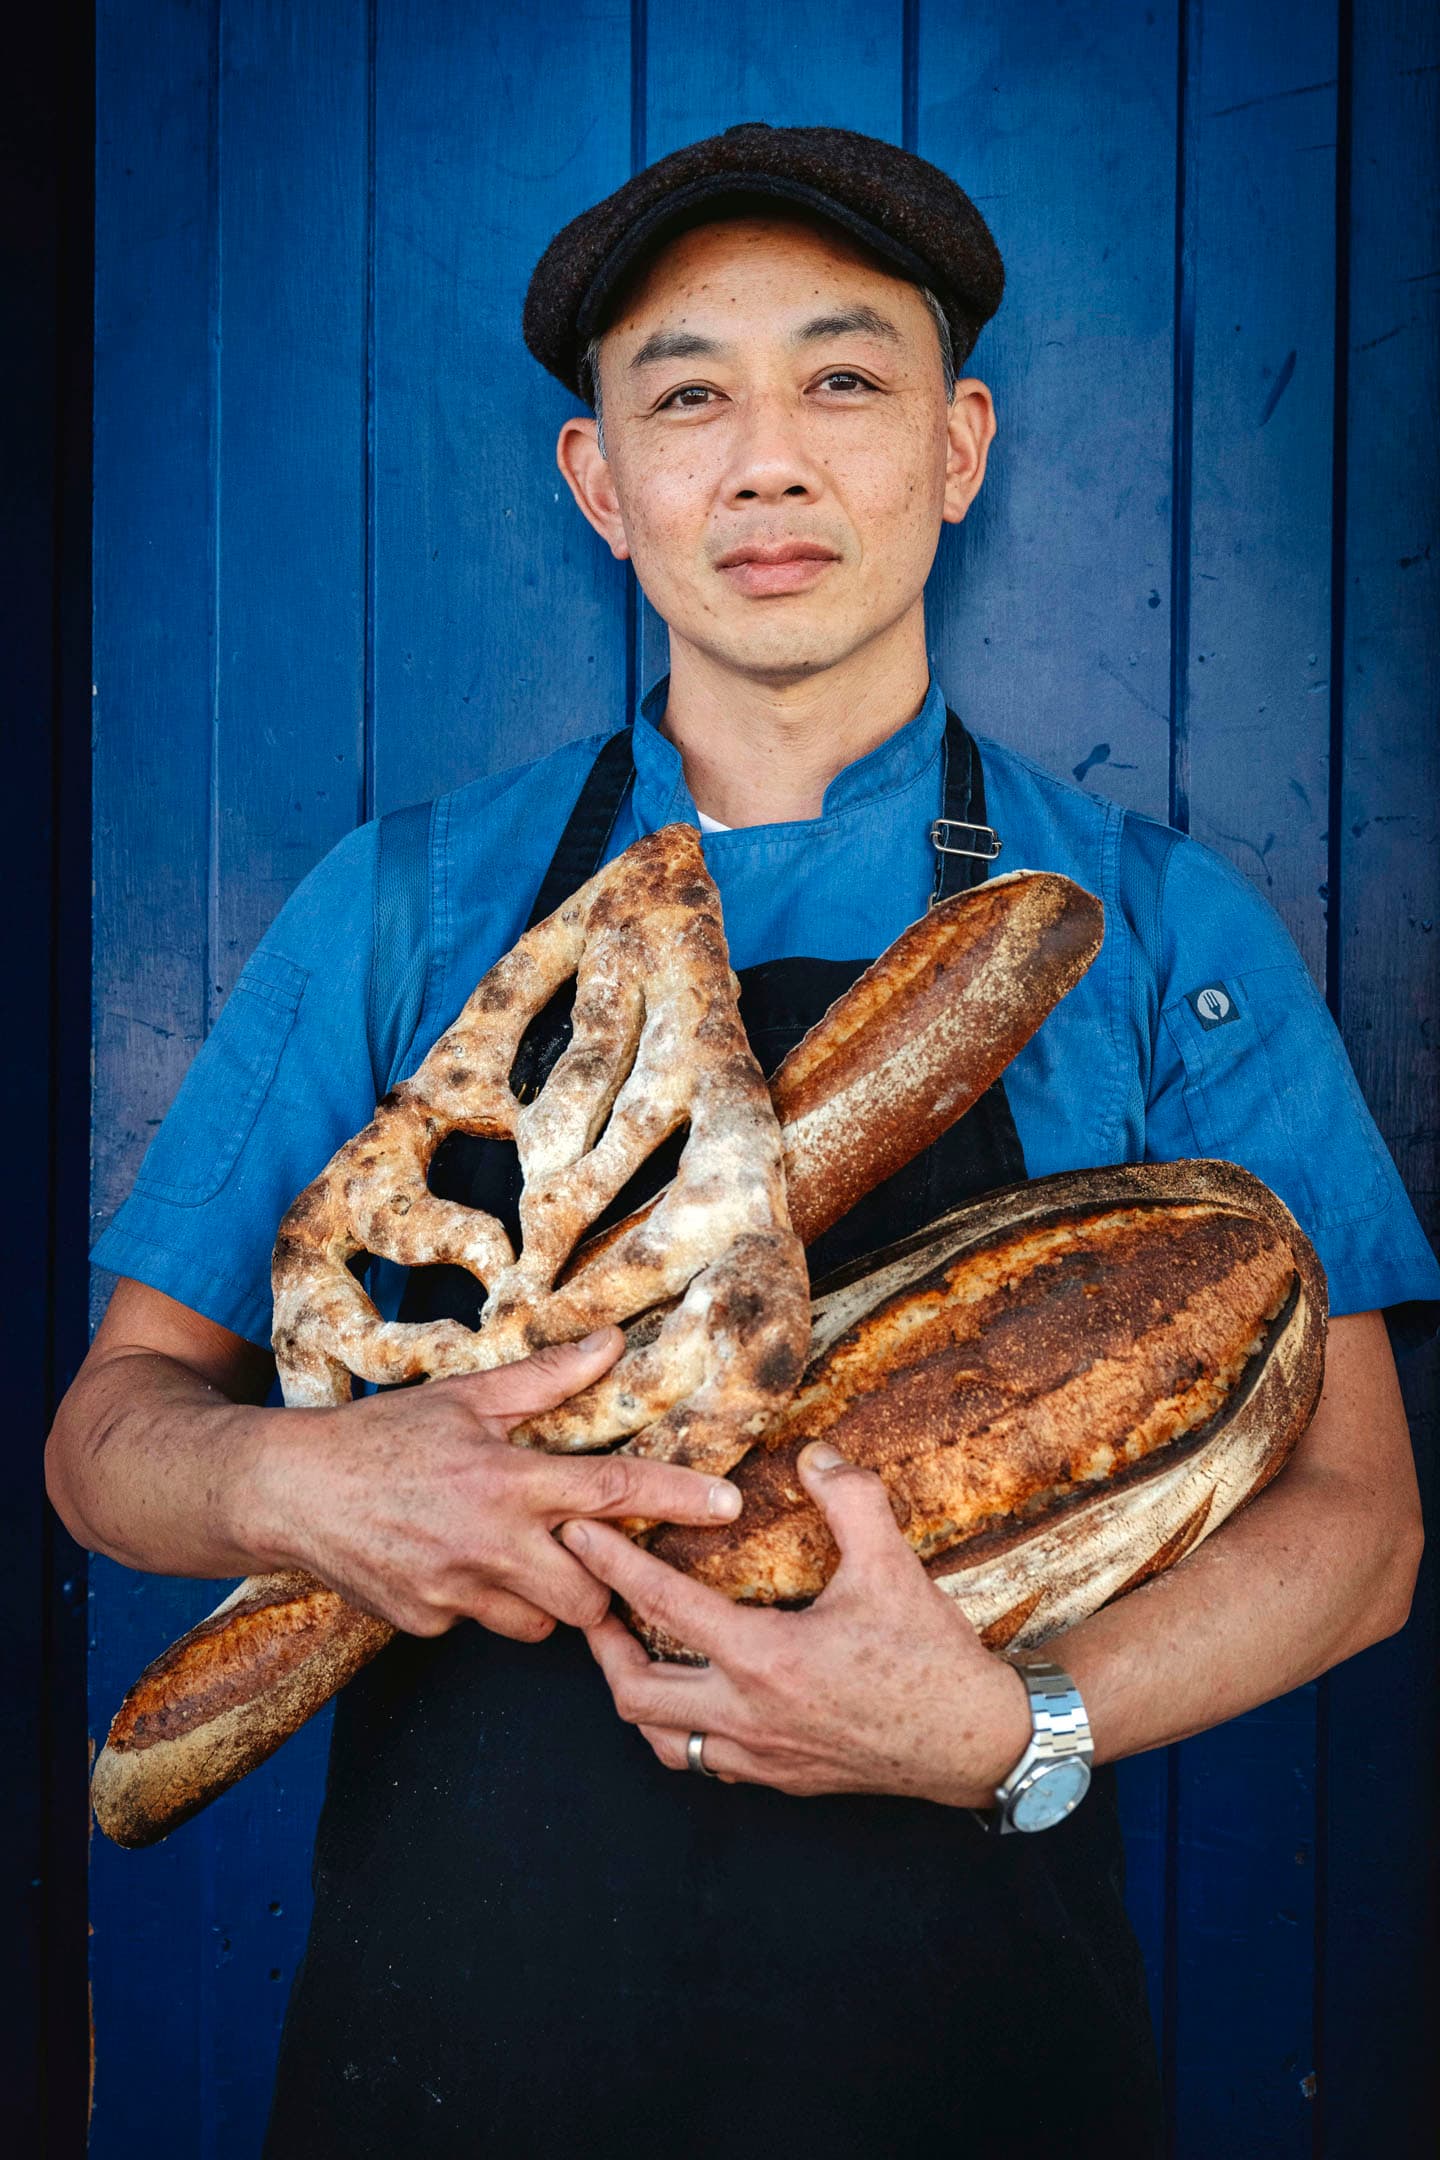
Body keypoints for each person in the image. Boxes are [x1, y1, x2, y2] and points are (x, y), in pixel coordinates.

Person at [49, 123, 1437, 2158]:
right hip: (451, 2068)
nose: (767, 459)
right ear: (601, 486)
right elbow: (109, 1437)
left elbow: (1368, 1529)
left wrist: (1007, 1724)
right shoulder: (402, 905)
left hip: (976, 2068)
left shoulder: (1146, 931)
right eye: (688, 395)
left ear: (958, 448)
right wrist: (302, 1483)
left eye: (844, 379)